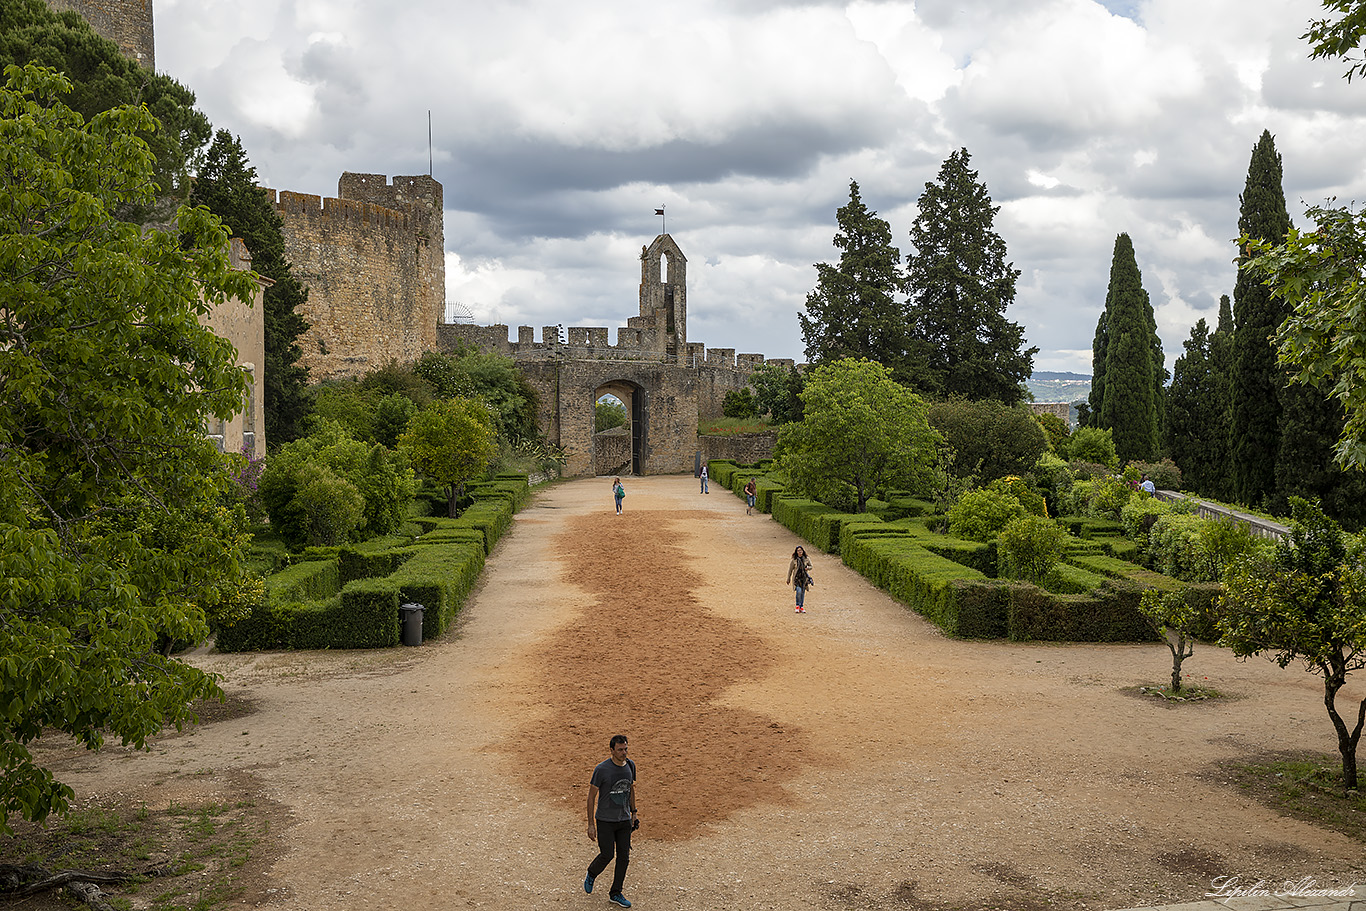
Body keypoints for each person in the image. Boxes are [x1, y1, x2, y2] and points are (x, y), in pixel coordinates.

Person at [585, 734, 638, 908]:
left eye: (626, 749)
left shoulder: (630, 765)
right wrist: (591, 824)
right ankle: (592, 873)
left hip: (623, 820)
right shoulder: (602, 770)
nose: (624, 753)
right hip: (605, 820)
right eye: (620, 750)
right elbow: (591, 797)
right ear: (612, 750)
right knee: (607, 854)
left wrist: (634, 813)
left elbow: (631, 790)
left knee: (624, 857)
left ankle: (616, 893)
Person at [786, 545, 813, 613]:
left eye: (801, 550)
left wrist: (807, 568)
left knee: (803, 592)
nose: (800, 552)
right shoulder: (794, 560)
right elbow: (790, 570)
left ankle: (801, 606)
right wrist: (788, 579)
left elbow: (811, 566)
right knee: (798, 591)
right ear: (796, 552)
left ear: (803, 551)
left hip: (804, 578)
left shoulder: (806, 558)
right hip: (796, 578)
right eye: (798, 550)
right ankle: (797, 605)